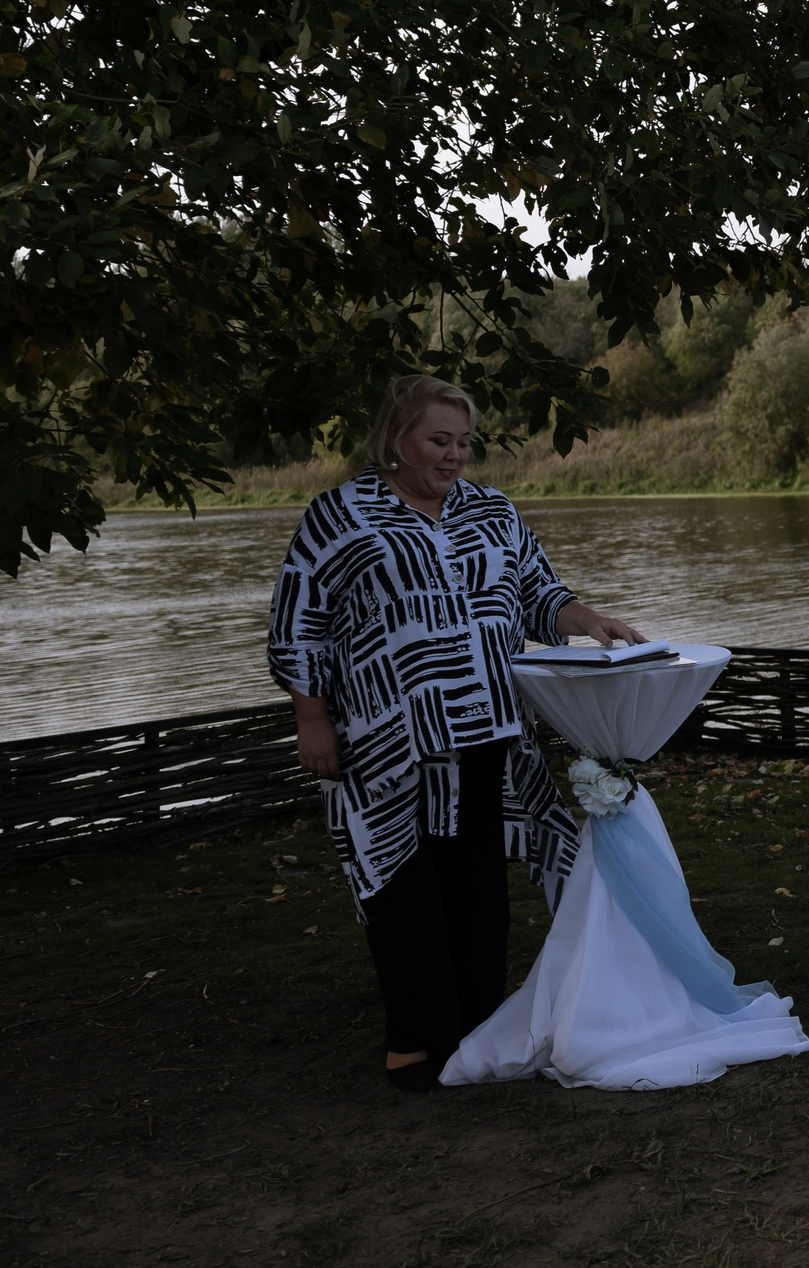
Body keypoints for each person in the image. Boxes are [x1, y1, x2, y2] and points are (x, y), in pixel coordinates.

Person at [268, 374, 643, 1091]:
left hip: (488, 735)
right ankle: (416, 1042)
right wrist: (310, 718)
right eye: (439, 440)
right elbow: (299, 623)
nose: (454, 456)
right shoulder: (340, 516)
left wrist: (588, 620)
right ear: (395, 440)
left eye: (464, 442)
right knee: (401, 885)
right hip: (387, 743)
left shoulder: (492, 513)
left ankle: (478, 1028)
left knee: (476, 888)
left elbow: (539, 593)